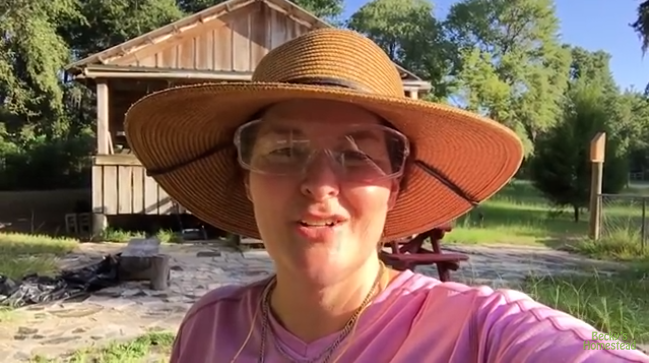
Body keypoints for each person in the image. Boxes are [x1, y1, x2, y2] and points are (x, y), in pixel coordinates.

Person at [124, 29, 649, 363]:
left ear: (394, 185)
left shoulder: (484, 330)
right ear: (246, 177)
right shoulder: (209, 328)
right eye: (284, 150)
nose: (321, 183)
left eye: (357, 155)